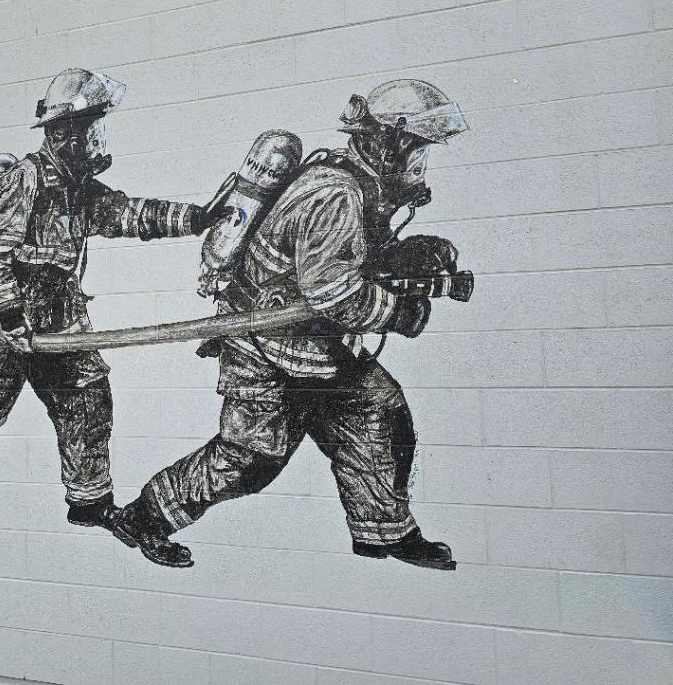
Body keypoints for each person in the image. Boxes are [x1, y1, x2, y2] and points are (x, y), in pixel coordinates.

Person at [113, 80, 469, 570]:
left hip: (315, 347)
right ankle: (143, 520)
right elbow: (334, 294)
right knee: (250, 457)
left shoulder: (355, 184)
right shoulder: (336, 194)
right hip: (264, 344)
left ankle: (385, 531)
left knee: (378, 412)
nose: (420, 164)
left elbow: (348, 263)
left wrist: (408, 256)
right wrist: (400, 314)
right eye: (419, 149)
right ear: (391, 142)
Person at [0, 69, 232, 535]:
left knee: (88, 403)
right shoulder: (24, 180)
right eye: (93, 130)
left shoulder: (78, 189)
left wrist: (196, 218)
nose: (97, 140)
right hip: (5, 327)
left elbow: (128, 214)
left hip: (61, 323)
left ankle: (89, 501)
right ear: (68, 135)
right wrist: (10, 316)